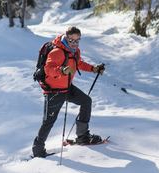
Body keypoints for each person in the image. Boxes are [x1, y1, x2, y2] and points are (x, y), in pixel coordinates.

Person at [33, 26, 106, 157]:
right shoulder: (57, 51)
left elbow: (78, 63)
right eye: (71, 40)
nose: (74, 43)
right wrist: (61, 70)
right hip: (53, 91)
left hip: (67, 87)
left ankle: (82, 136)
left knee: (86, 101)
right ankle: (38, 150)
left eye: (77, 40)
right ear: (66, 37)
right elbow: (48, 69)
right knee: (49, 121)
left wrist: (93, 69)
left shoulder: (74, 51)